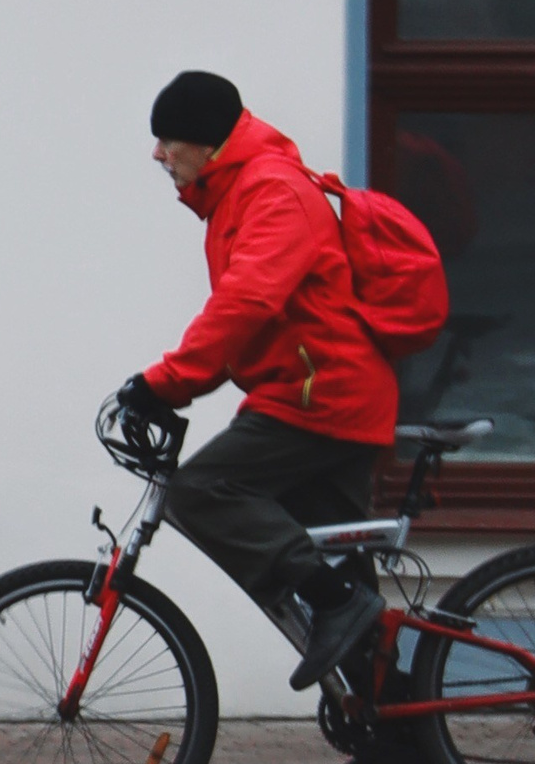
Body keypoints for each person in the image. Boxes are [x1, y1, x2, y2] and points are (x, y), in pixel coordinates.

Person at [116, 72, 401, 699]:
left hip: (321, 398)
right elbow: (247, 325)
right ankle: (394, 723)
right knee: (348, 573)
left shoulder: (271, 192)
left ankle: (336, 605)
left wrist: (165, 383)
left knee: (200, 492)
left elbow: (246, 303)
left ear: (208, 144)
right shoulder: (238, 199)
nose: (158, 154)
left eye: (168, 140)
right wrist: (171, 385)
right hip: (315, 394)